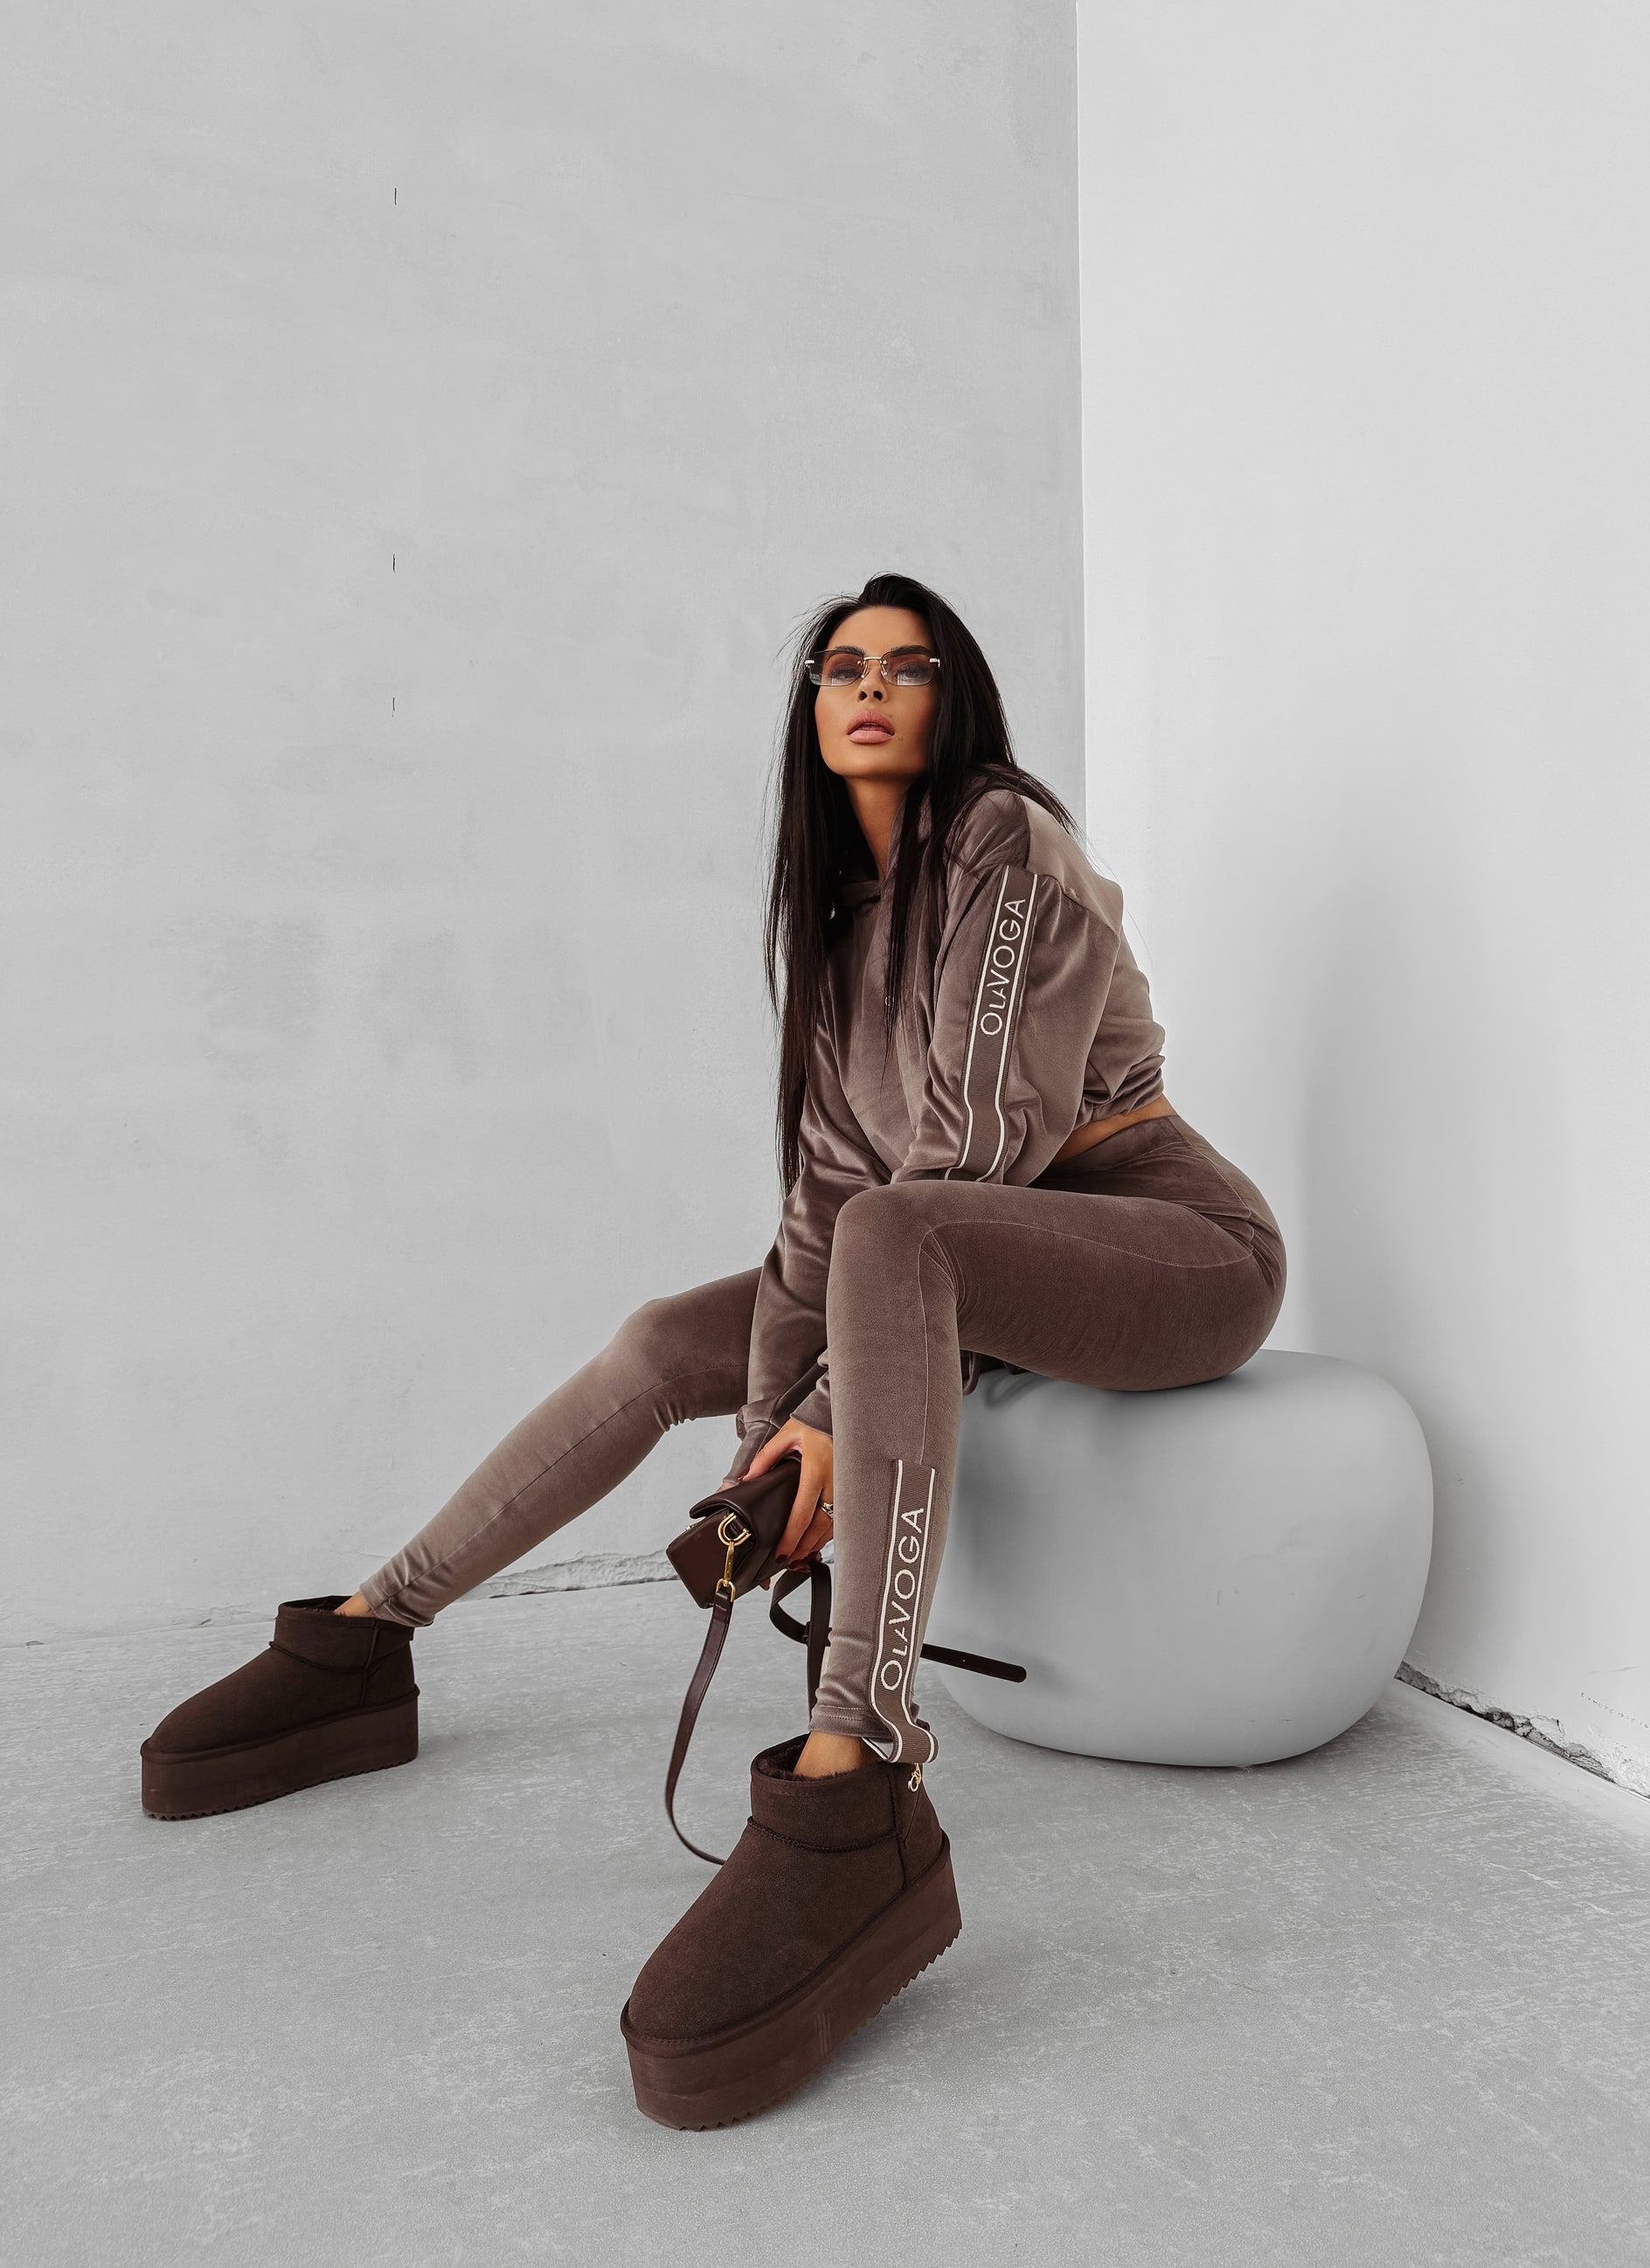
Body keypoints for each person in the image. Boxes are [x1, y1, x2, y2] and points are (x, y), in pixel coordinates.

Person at [140, 572, 1286, 2127]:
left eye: (905, 666)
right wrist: (768, 1441)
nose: (867, 688)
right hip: (964, 1261)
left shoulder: (1003, 843)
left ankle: (857, 1770)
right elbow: (820, 1212)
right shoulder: (841, 921)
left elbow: (970, 1153)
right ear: (809, 711)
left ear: (953, 700)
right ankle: (369, 1635)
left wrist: (832, 1410)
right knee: (665, 1335)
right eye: (839, 668)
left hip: (1168, 1244)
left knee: (901, 1236)